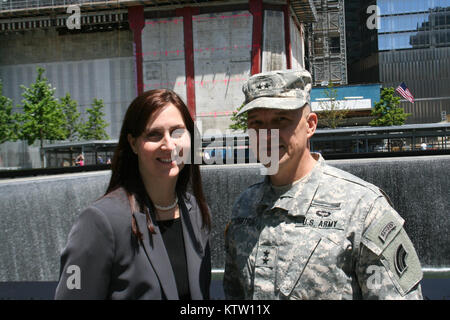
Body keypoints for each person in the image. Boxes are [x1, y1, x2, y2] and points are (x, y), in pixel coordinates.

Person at [223, 69, 423, 300]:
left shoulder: (364, 208)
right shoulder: (244, 207)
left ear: (310, 125)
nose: (268, 135)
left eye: (281, 120)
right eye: (257, 123)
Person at [55, 89, 211, 300]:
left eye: (177, 132)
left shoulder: (196, 212)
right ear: (133, 143)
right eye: (154, 134)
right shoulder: (99, 222)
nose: (168, 145)